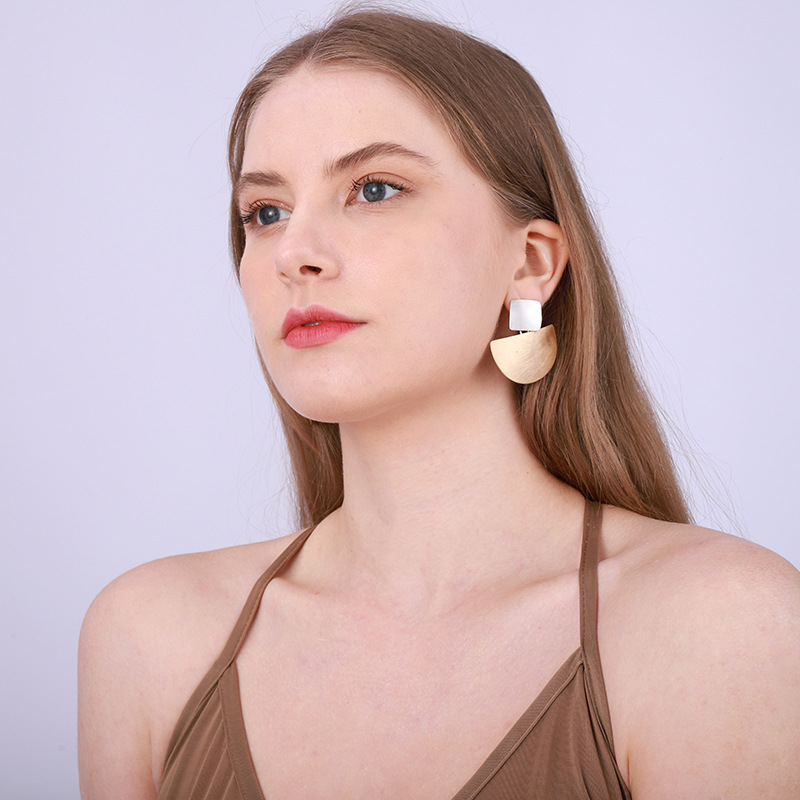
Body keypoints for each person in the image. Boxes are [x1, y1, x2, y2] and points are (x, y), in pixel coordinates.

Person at [78, 8, 800, 799]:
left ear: (531, 264)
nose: (294, 254)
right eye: (266, 212)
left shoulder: (719, 627)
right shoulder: (149, 637)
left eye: (374, 190)